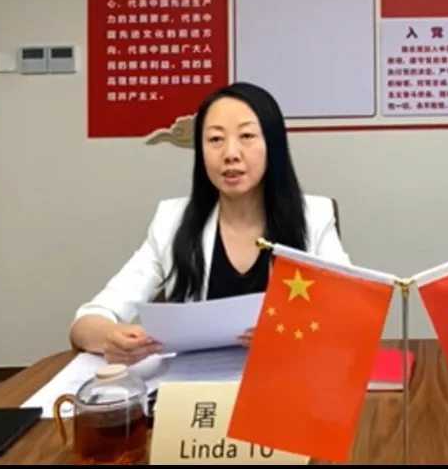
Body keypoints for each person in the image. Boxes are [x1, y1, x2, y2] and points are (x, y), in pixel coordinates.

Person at [69, 82, 350, 364]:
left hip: (284, 375)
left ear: (273, 145)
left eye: (247, 136)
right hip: (195, 383)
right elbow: (87, 322)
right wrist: (113, 338)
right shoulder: (172, 222)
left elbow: (353, 313)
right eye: (215, 139)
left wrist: (294, 333)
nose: (230, 153)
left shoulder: (313, 217)